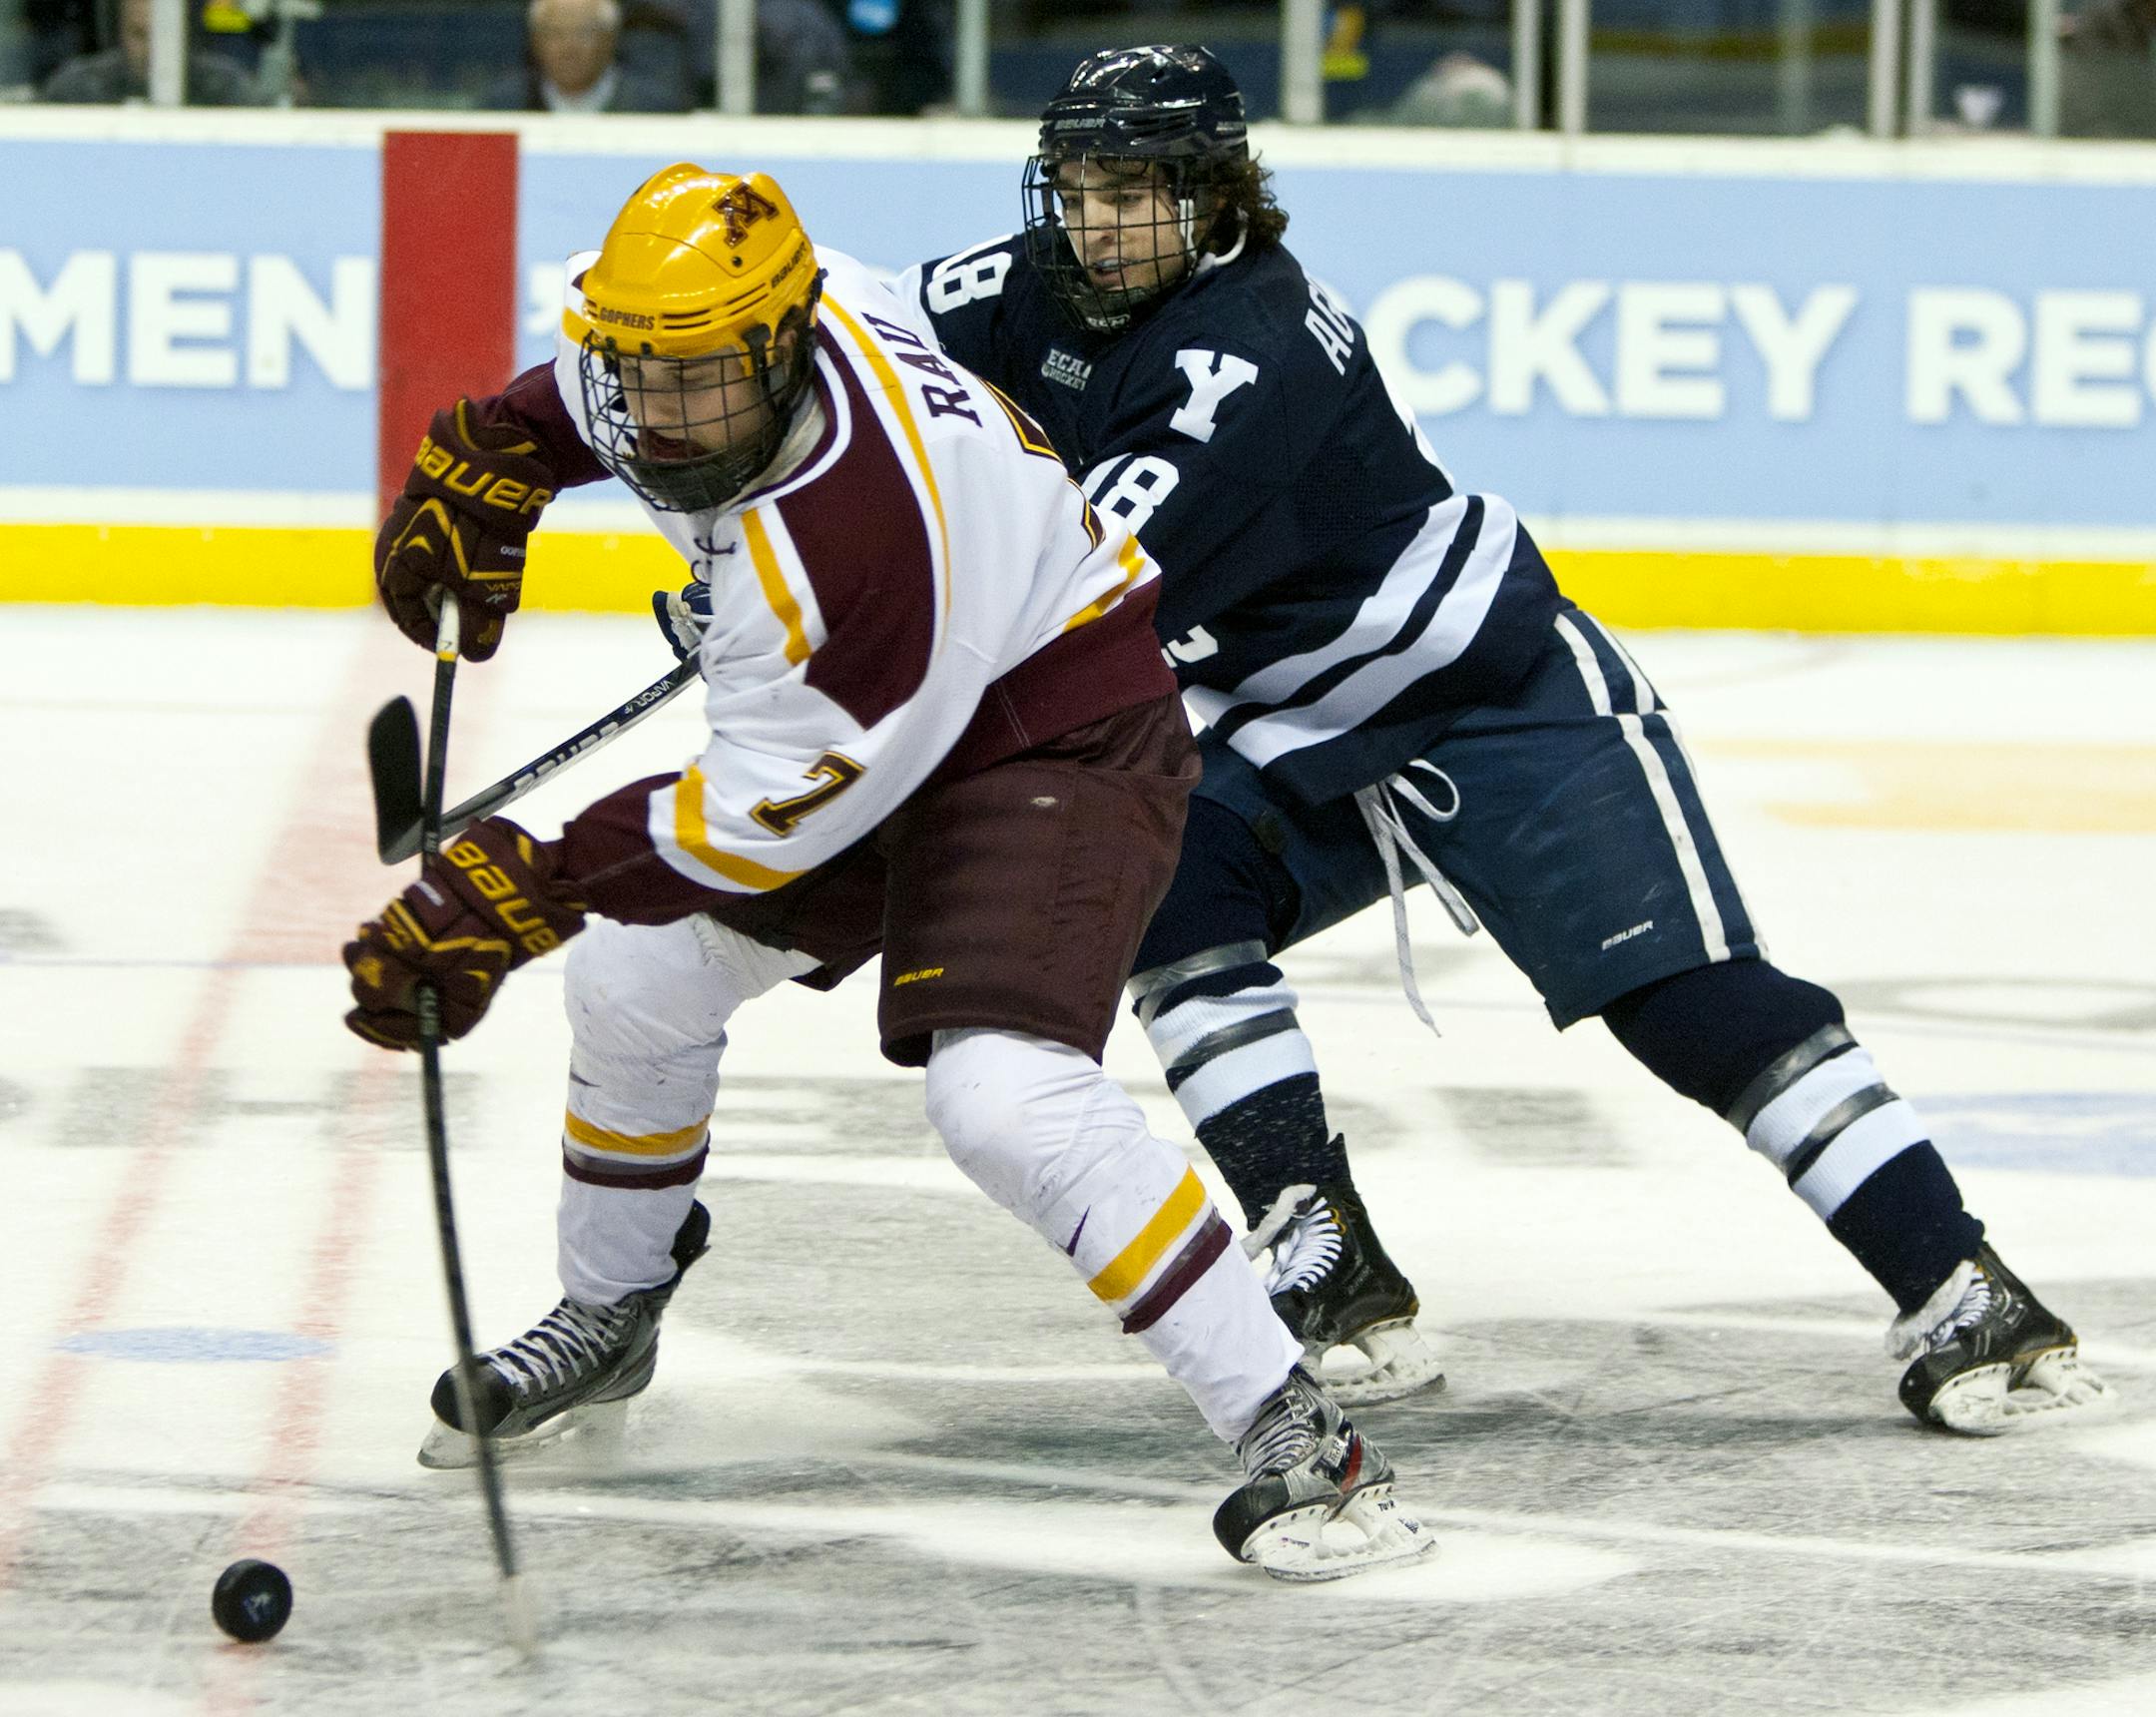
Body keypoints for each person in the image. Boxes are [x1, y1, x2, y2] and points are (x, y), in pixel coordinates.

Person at [875, 44, 2113, 1435]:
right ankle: (1326, 1262)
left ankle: (1961, 1282)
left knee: (1687, 1003)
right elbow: (852, 334)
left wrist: (838, 609)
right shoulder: (1037, 280)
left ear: (1216, 195)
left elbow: (1069, 573)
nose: (1100, 222)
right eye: (1083, 188)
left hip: (1495, 689)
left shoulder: (1248, 348)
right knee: (1170, 892)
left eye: (1139, 190)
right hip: (1289, 717)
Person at [346, 162, 1431, 1581]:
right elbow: (611, 375)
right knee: (634, 981)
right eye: (639, 377)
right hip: (891, 704)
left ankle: (1308, 1446)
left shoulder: (853, 537)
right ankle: (610, 1314)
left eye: (699, 384)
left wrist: (525, 886)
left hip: (1053, 734)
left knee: (1006, 1097)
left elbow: (756, 820)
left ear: (783, 350)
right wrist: (499, 446)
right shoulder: (790, 310)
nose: (660, 417)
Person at [481, 0, 686, 115]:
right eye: (555, 33)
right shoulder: (503, 106)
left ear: (610, 39)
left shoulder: (655, 110)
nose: (568, 47)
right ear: (535, 42)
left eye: (583, 33)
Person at [40, 0, 255, 104]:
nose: (153, 50)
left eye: (164, 34)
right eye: (139, 34)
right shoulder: (76, 91)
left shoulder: (228, 90)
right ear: (120, 33)